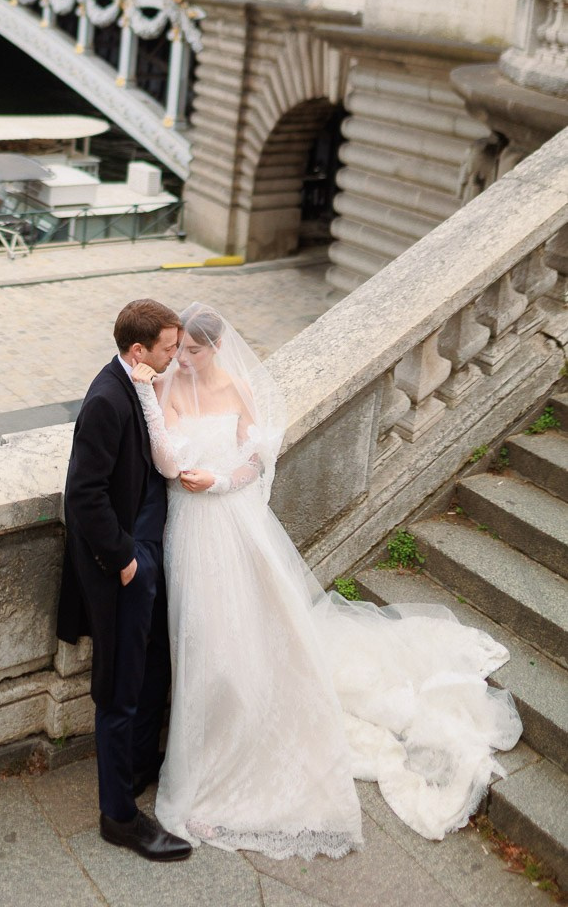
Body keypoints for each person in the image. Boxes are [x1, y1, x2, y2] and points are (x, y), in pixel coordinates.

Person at [128, 303, 522, 860]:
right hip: (187, 533)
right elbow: (166, 463)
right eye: (180, 351)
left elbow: (255, 461)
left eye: (193, 351)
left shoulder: (238, 387)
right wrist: (151, 396)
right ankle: (208, 743)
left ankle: (240, 737)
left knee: (238, 634)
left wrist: (218, 480)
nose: (183, 360)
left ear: (215, 348)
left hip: (232, 524)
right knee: (200, 640)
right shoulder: (166, 387)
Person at [56, 300, 192, 864]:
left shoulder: (133, 384)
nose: (175, 355)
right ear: (139, 350)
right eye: (167, 347)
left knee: (149, 670)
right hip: (124, 567)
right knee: (118, 690)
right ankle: (119, 817)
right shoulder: (107, 399)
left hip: (146, 554)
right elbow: (82, 495)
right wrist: (125, 560)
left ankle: (137, 773)